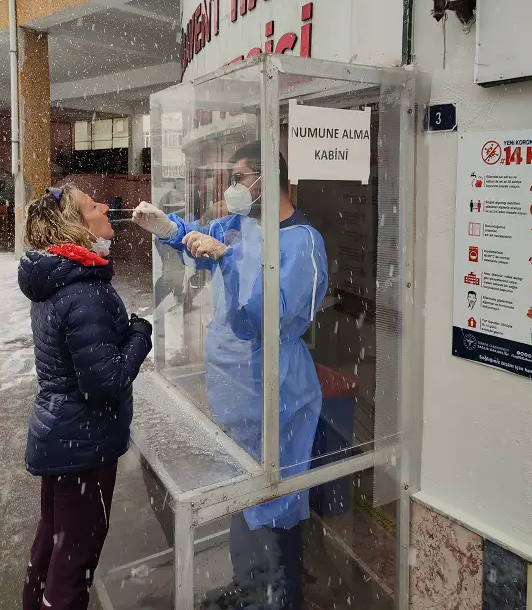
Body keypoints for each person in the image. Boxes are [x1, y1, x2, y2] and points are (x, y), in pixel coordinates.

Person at [133, 142, 328, 610]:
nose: (232, 190)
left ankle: (278, 597)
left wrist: (229, 259)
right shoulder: (241, 226)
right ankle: (249, 588)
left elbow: (270, 316)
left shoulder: (302, 241)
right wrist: (170, 229)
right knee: (244, 491)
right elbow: (201, 241)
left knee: (275, 498)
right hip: (237, 388)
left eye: (240, 178)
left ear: (267, 180)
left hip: (276, 387)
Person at [19, 185, 153, 610]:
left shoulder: (59, 281)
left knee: (53, 541)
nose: (103, 207)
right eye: (92, 205)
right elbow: (106, 383)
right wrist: (140, 335)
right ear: (78, 227)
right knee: (75, 560)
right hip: (83, 446)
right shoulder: (84, 292)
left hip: (60, 436)